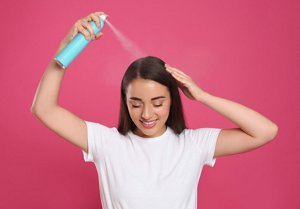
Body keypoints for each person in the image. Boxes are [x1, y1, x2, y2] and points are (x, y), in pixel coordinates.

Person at [31, 11, 278, 209]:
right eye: (136, 104)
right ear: (125, 102)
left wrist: (203, 96)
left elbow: (265, 131)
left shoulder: (193, 144)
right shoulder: (106, 143)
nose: (147, 115)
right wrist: (66, 48)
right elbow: (43, 109)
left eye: (157, 103)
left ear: (173, 99)